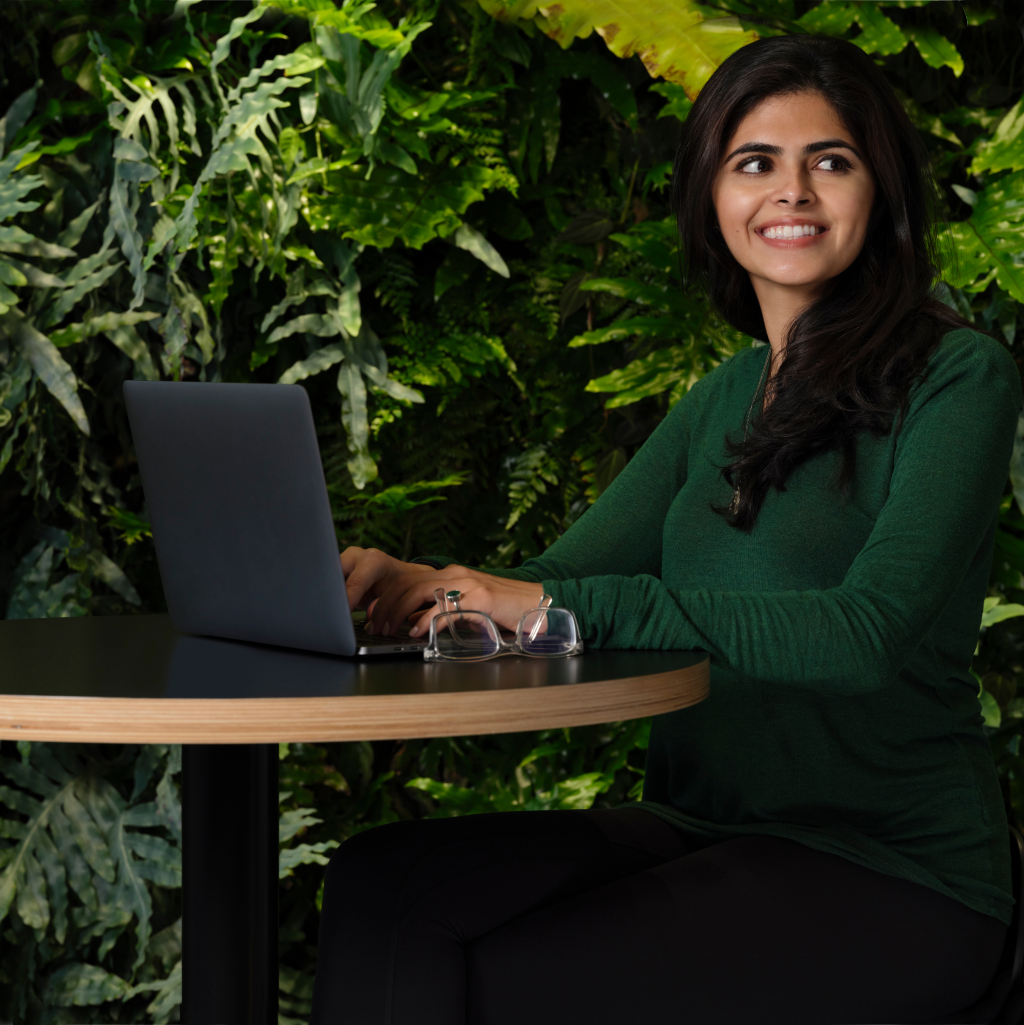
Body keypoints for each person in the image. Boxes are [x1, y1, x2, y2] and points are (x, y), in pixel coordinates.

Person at [310, 34, 1022, 1025]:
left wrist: (552, 604)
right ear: (711, 195)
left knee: (502, 981)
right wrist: (426, 586)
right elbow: (563, 575)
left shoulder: (958, 377)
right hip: (699, 826)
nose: (793, 191)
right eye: (754, 163)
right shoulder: (722, 395)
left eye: (831, 160)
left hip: (890, 865)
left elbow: (865, 635)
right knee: (383, 885)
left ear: (882, 189)